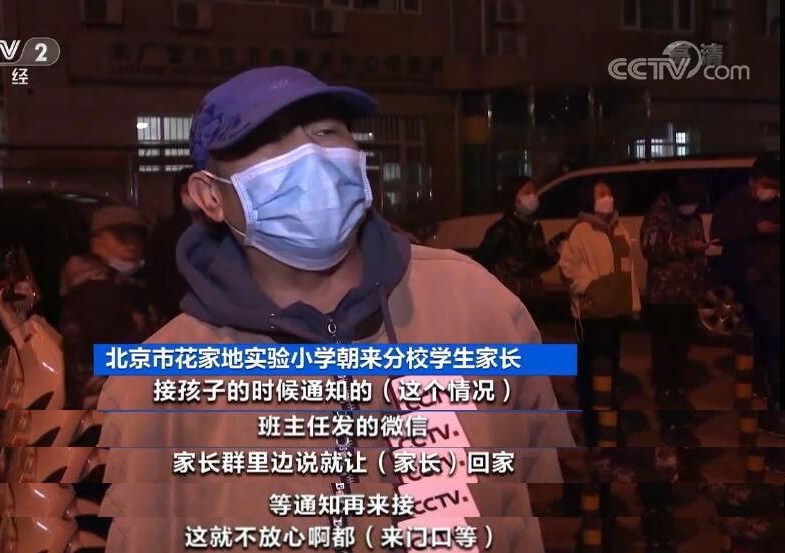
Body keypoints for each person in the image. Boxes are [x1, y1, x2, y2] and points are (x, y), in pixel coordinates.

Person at [96, 66, 573, 552]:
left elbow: (531, 498)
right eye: (269, 142)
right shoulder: (155, 386)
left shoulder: (479, 305)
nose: (312, 157)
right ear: (210, 197)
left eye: (326, 131)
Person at [558, 180, 640, 444]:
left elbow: (627, 269)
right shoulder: (580, 230)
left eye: (609, 192)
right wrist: (591, 287)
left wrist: (632, 303)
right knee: (589, 372)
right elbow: (567, 268)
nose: (608, 197)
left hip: (614, 312)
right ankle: (591, 429)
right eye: (601, 193)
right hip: (591, 315)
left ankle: (608, 425)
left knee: (609, 371)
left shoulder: (619, 228)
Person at [59, 205, 156, 409]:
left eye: (136, 236)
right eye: (121, 236)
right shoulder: (94, 290)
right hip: (101, 402)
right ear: (96, 244)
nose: (131, 244)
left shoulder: (129, 285)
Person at [711, 153, 781, 434]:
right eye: (766, 184)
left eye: (775, 186)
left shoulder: (777, 206)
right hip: (747, 288)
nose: (770, 191)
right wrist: (753, 230)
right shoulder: (733, 204)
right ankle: (760, 406)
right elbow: (721, 235)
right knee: (757, 348)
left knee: (771, 347)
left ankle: (768, 403)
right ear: (752, 181)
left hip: (772, 287)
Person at [640, 176, 708, 446]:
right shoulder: (657, 217)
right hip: (664, 295)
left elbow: (699, 247)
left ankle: (677, 389)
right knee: (664, 347)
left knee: (681, 347)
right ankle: (664, 392)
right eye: (689, 202)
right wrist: (685, 247)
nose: (693, 207)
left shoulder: (694, 218)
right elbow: (650, 249)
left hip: (687, 294)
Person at [476, 176, 566, 322]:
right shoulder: (501, 229)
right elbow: (481, 262)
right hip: (508, 300)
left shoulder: (535, 228)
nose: (533, 197)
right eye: (527, 192)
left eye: (534, 192)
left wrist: (553, 252)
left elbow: (537, 264)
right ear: (514, 198)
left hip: (532, 299)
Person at [145, 167, 199, 324]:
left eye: (196, 190)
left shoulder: (220, 228)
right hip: (174, 311)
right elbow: (155, 272)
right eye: (186, 191)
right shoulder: (165, 230)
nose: (191, 195)